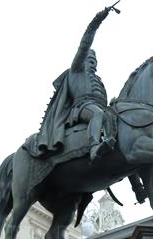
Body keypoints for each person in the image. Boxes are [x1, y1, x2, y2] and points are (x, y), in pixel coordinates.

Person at [33, 5, 118, 161]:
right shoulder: (77, 70)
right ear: (83, 60)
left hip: (102, 108)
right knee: (97, 114)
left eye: (95, 62)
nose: (93, 64)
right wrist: (96, 22)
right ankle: (94, 147)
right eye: (90, 60)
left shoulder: (98, 80)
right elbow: (84, 45)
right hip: (81, 108)